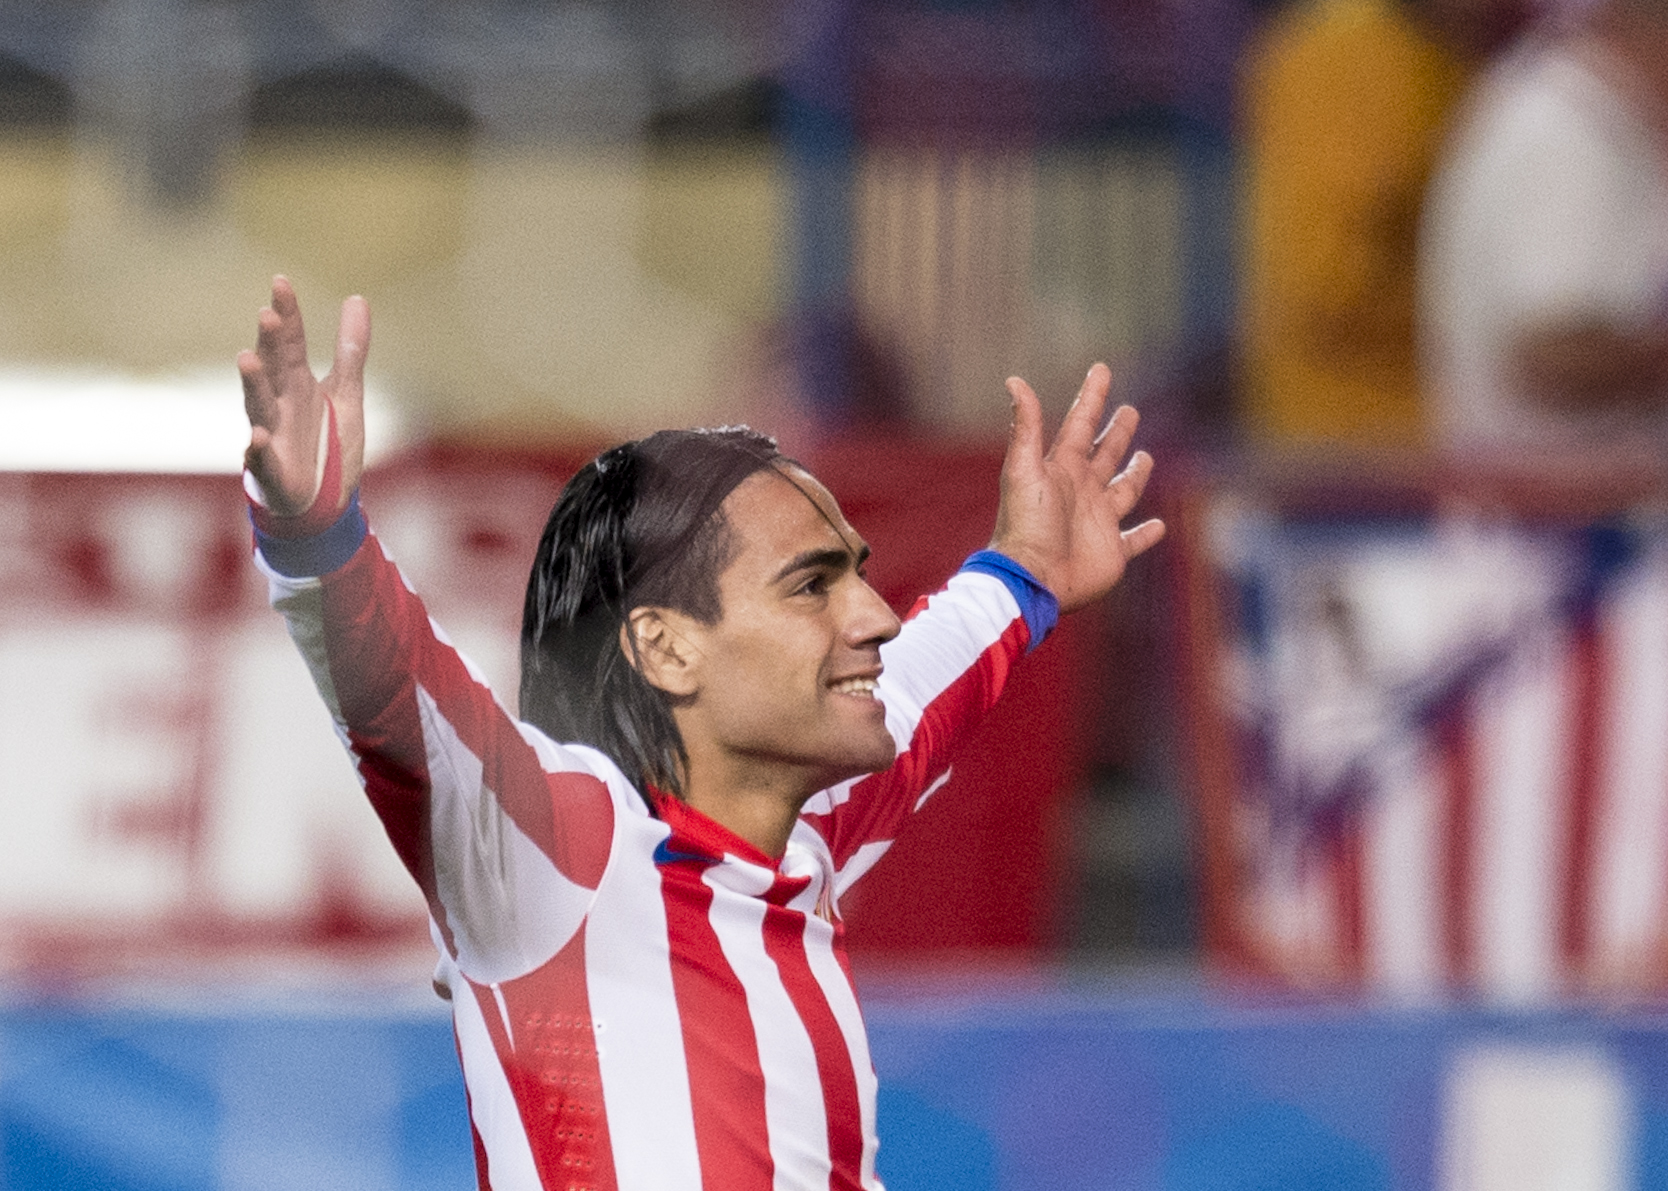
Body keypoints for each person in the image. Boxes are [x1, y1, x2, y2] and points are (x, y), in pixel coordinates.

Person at [237, 276, 1163, 1190]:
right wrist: (317, 542)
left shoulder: (800, 837)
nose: (876, 615)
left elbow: (927, 682)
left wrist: (1023, 574)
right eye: (812, 586)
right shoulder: (562, 858)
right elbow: (408, 709)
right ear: (667, 647)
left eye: (859, 575)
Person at [1240, 0, 1530, 447]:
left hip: (1442, 443)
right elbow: (1327, 296)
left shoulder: (1448, 50)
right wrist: (1508, 329)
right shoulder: (1350, 50)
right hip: (1359, 456)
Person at [1420, 0, 1668, 459]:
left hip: (1586, 510)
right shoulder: (1567, 133)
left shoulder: (1602, 119)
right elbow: (1551, 357)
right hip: (1552, 517)